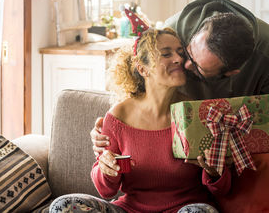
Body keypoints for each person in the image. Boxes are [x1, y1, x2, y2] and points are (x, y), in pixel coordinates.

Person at [49, 28, 231, 213]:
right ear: (142, 68)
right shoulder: (119, 116)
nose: (178, 59)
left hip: (185, 209)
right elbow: (106, 191)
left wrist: (214, 171)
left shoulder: (196, 112)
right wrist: (106, 168)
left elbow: (222, 189)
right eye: (166, 54)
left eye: (180, 53)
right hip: (130, 210)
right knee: (62, 206)